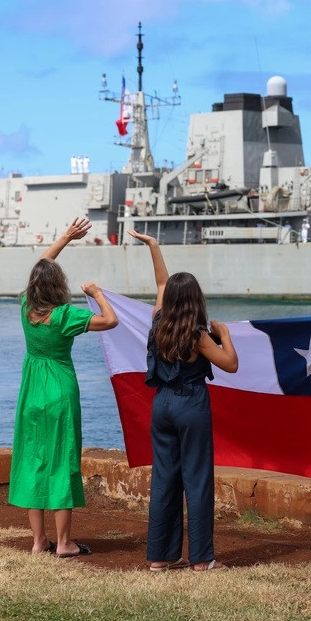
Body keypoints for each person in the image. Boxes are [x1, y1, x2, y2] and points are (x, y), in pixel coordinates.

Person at [127, 229, 239, 573]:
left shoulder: (158, 323)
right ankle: (202, 559)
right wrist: (226, 336)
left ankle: (159, 558)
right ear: (195, 300)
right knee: (197, 479)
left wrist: (154, 247)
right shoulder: (198, 334)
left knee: (165, 479)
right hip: (191, 405)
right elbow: (230, 365)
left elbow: (162, 286)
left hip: (161, 405)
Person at [8, 217, 118, 557]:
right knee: (62, 462)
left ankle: (39, 542)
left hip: (31, 393)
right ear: (59, 286)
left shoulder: (26, 307)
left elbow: (40, 267)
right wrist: (97, 293)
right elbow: (111, 320)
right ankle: (65, 543)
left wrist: (65, 237)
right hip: (60, 391)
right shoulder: (65, 316)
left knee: (33, 461)